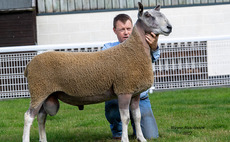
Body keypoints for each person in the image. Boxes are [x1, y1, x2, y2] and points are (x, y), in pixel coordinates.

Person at [102, 14, 160, 140]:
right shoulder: (108, 48)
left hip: (140, 98)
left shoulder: (143, 46)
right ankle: (118, 131)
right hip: (117, 97)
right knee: (112, 104)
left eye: (129, 28)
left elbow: (154, 58)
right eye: (122, 29)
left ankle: (136, 127)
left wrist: (154, 47)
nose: (126, 32)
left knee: (151, 136)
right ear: (114, 31)